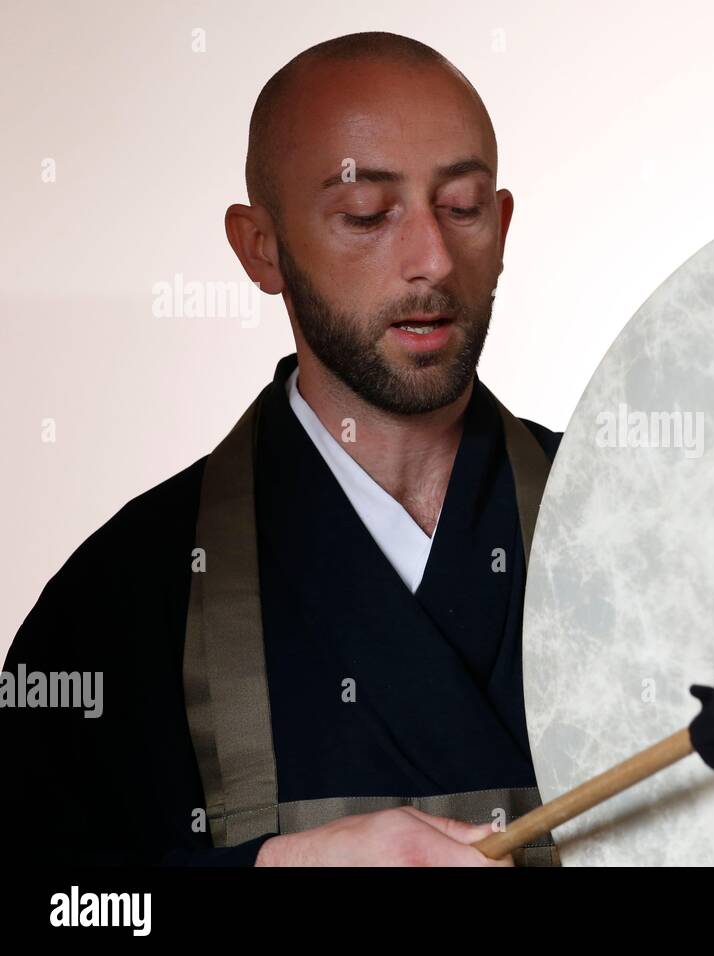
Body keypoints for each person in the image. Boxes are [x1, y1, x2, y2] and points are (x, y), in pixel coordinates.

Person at [0, 31, 561, 867]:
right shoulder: (124, 596)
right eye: (367, 216)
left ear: (503, 225)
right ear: (259, 247)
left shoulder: (634, 519)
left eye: (463, 207)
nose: (431, 260)